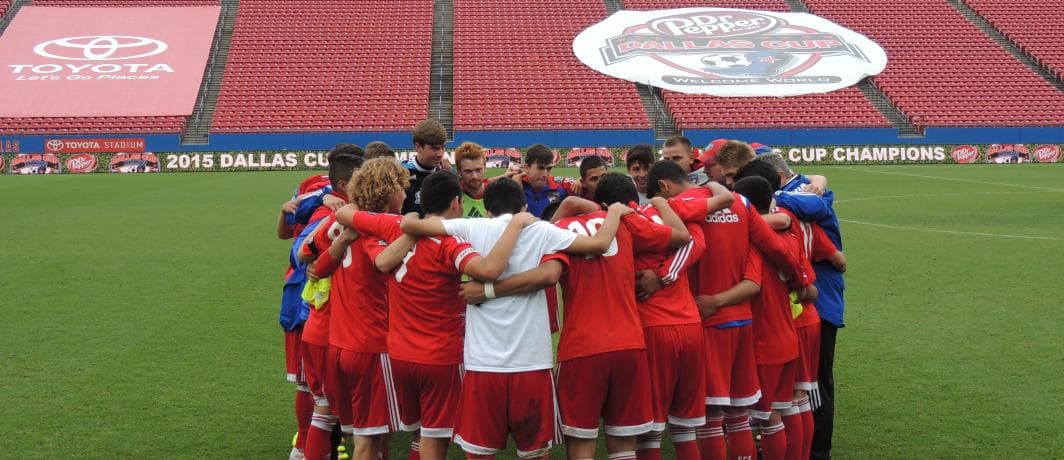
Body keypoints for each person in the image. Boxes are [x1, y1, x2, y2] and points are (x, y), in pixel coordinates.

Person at [399, 178, 627, 459]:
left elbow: (411, 226)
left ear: (485, 206)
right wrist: (614, 212)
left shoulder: (472, 227)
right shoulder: (542, 230)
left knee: (479, 453)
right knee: (535, 453)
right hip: (531, 362)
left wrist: (410, 215)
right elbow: (601, 243)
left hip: (483, 364)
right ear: (524, 206)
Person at [337, 171, 533, 460]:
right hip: (440, 357)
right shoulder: (451, 242)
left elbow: (345, 213)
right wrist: (516, 225)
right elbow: (490, 270)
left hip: (400, 356)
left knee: (421, 434)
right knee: (436, 437)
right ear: (456, 202)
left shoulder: (394, 227)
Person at [548, 175, 691, 460]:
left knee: (580, 442)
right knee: (624, 443)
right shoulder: (627, 222)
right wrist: (660, 203)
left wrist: (566, 207)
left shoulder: (558, 228)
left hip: (581, 347)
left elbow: (543, 236)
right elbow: (682, 236)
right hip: (629, 344)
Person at [589, 173, 722, 460]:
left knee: (649, 431)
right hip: (690, 325)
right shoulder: (668, 210)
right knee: (686, 431)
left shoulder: (615, 224)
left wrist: (660, 277)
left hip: (652, 328)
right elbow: (695, 242)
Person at [732, 157, 844, 460]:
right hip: (800, 319)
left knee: (755, 413)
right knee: (797, 401)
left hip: (769, 329)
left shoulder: (756, 235)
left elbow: (754, 283)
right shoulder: (794, 221)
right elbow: (826, 270)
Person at [295, 151, 366, 460]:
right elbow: (297, 253)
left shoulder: (337, 220)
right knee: (368, 423)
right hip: (338, 332)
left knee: (325, 413)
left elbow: (302, 252)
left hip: (323, 328)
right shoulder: (349, 220)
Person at [731, 176, 804, 460]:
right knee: (787, 408)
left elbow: (752, 285)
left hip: (763, 342)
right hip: (786, 336)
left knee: (763, 417)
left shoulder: (751, 243)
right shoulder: (788, 235)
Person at [402, 119, 449, 215]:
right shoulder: (401, 174)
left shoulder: (447, 174)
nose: (440, 154)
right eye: (434, 148)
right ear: (418, 147)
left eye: (443, 147)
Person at [520, 144, 570, 218]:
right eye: (540, 168)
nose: (545, 174)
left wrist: (580, 181)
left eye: (549, 169)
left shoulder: (560, 189)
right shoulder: (515, 186)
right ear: (527, 168)